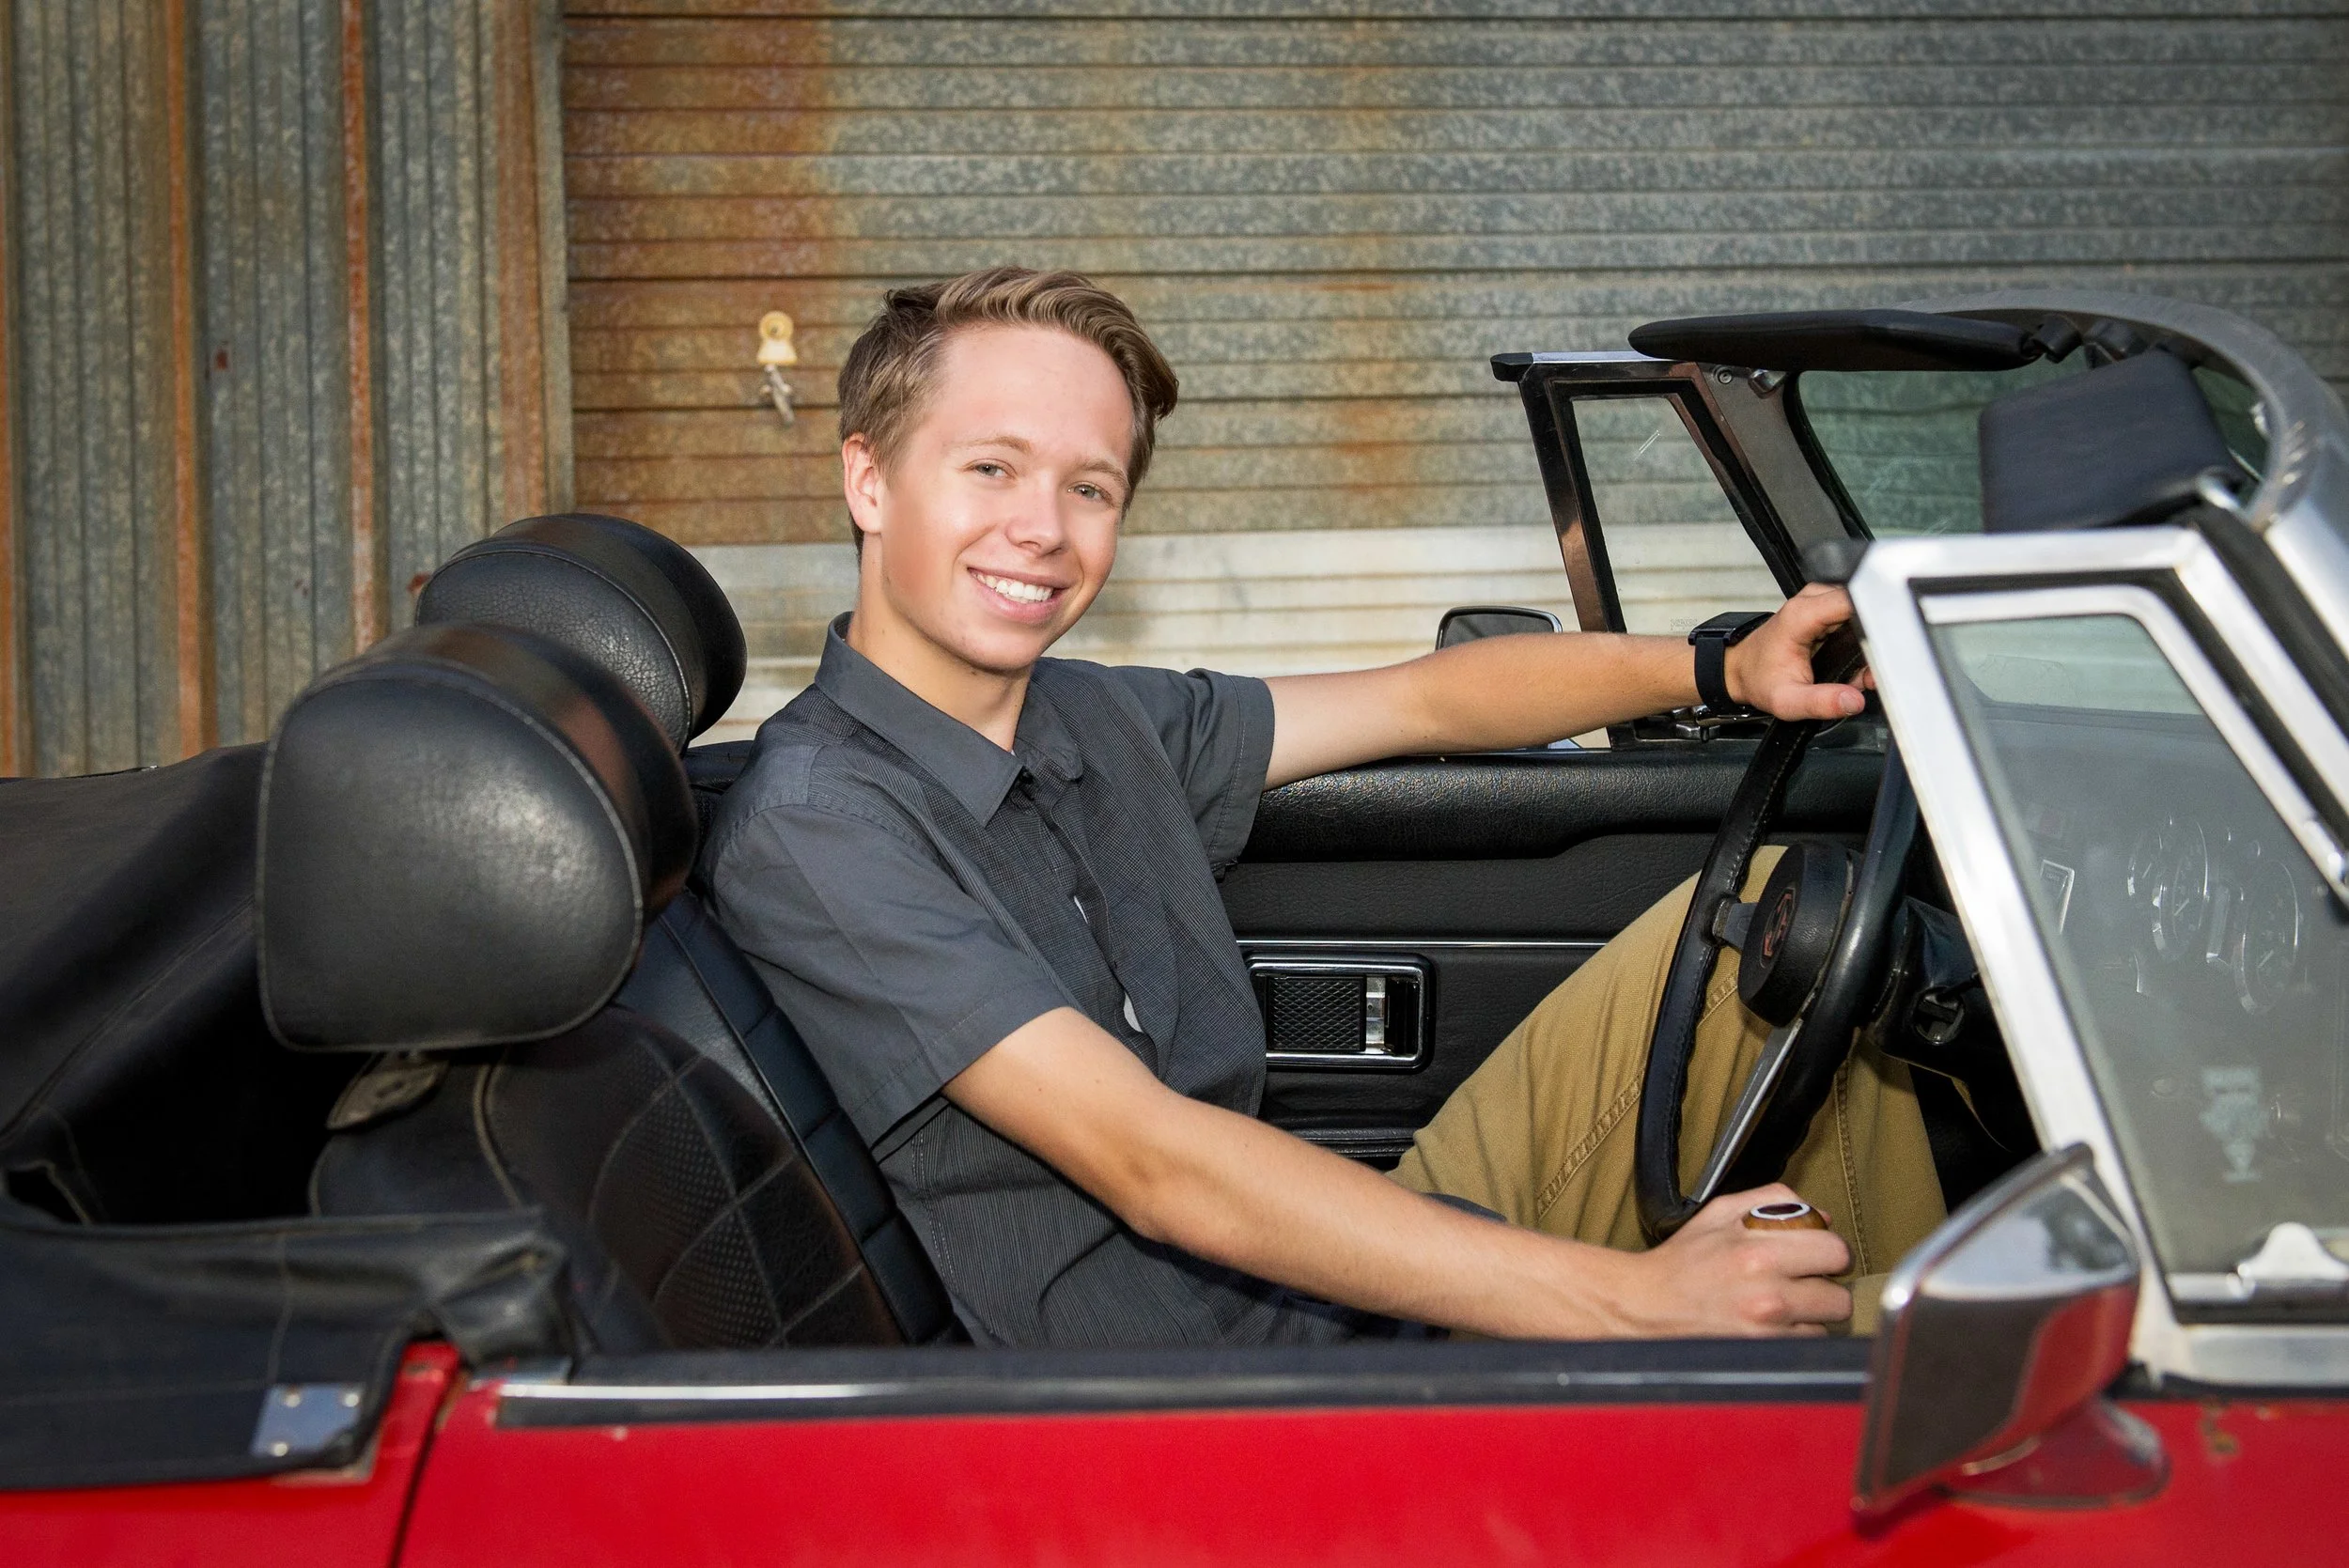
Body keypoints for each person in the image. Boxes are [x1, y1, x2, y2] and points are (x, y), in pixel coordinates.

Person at [703, 267, 1946, 1348]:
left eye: (1092, 488)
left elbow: (1428, 702)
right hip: (1226, 1400)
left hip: (1316, 1277)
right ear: (869, 479)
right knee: (1914, 1328)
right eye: (991, 468)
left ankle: (1841, 1403)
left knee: (1785, 937)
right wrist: (1633, 1303)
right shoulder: (820, 829)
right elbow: (1159, 1166)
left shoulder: (1093, 718)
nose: (1042, 529)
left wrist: (1720, 668)